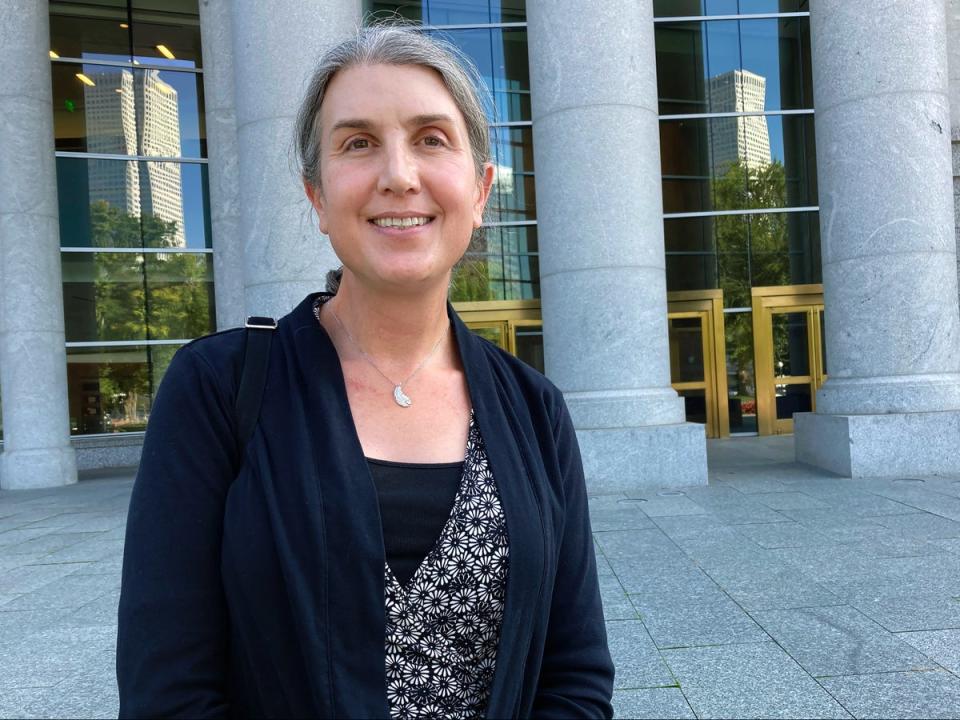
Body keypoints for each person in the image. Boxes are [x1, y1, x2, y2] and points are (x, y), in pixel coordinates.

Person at [116, 25, 614, 719]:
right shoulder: (216, 389)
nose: (398, 174)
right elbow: (166, 690)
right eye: (357, 143)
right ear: (318, 197)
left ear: (480, 190)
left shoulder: (534, 410)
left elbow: (576, 673)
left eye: (431, 138)